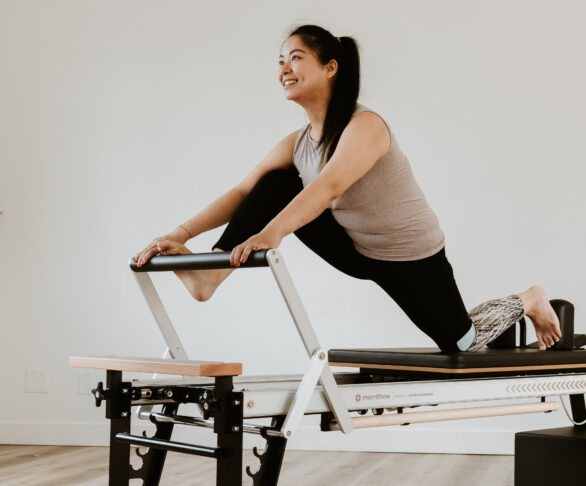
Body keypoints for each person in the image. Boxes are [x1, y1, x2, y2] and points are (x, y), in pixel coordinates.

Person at [133, 25, 561, 353]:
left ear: (329, 67)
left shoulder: (365, 126)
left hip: (411, 256)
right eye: (279, 60)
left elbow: (329, 185)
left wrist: (273, 234)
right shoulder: (296, 143)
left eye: (295, 58)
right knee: (274, 183)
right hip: (355, 248)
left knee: (462, 343)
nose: (283, 69)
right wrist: (181, 234)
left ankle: (528, 299)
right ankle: (210, 276)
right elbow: (244, 192)